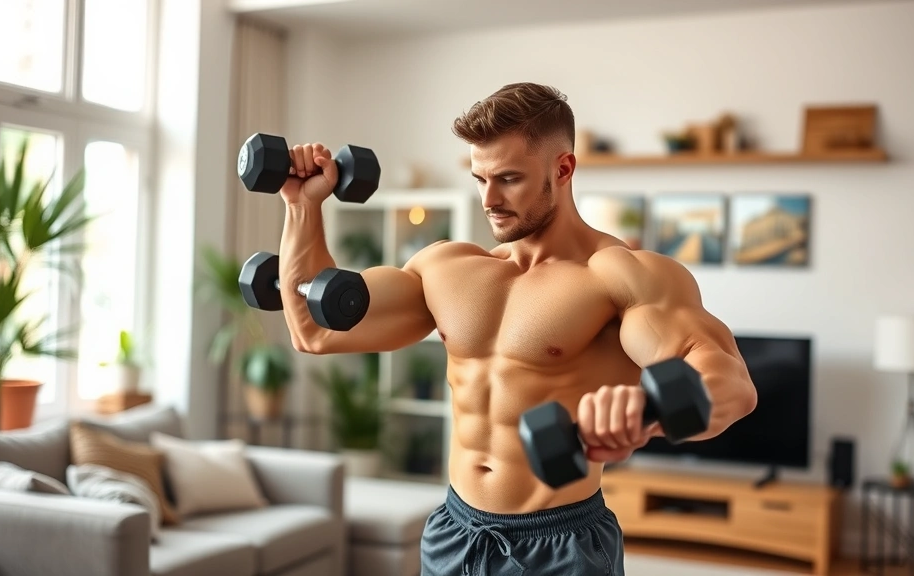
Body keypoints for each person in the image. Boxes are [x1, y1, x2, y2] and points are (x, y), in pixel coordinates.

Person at [276, 82, 758, 576]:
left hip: (560, 542)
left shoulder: (618, 275)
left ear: (564, 169)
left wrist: (648, 413)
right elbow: (316, 329)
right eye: (479, 178)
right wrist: (302, 206)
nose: (489, 199)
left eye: (508, 178)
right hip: (454, 529)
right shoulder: (448, 268)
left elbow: (731, 385)